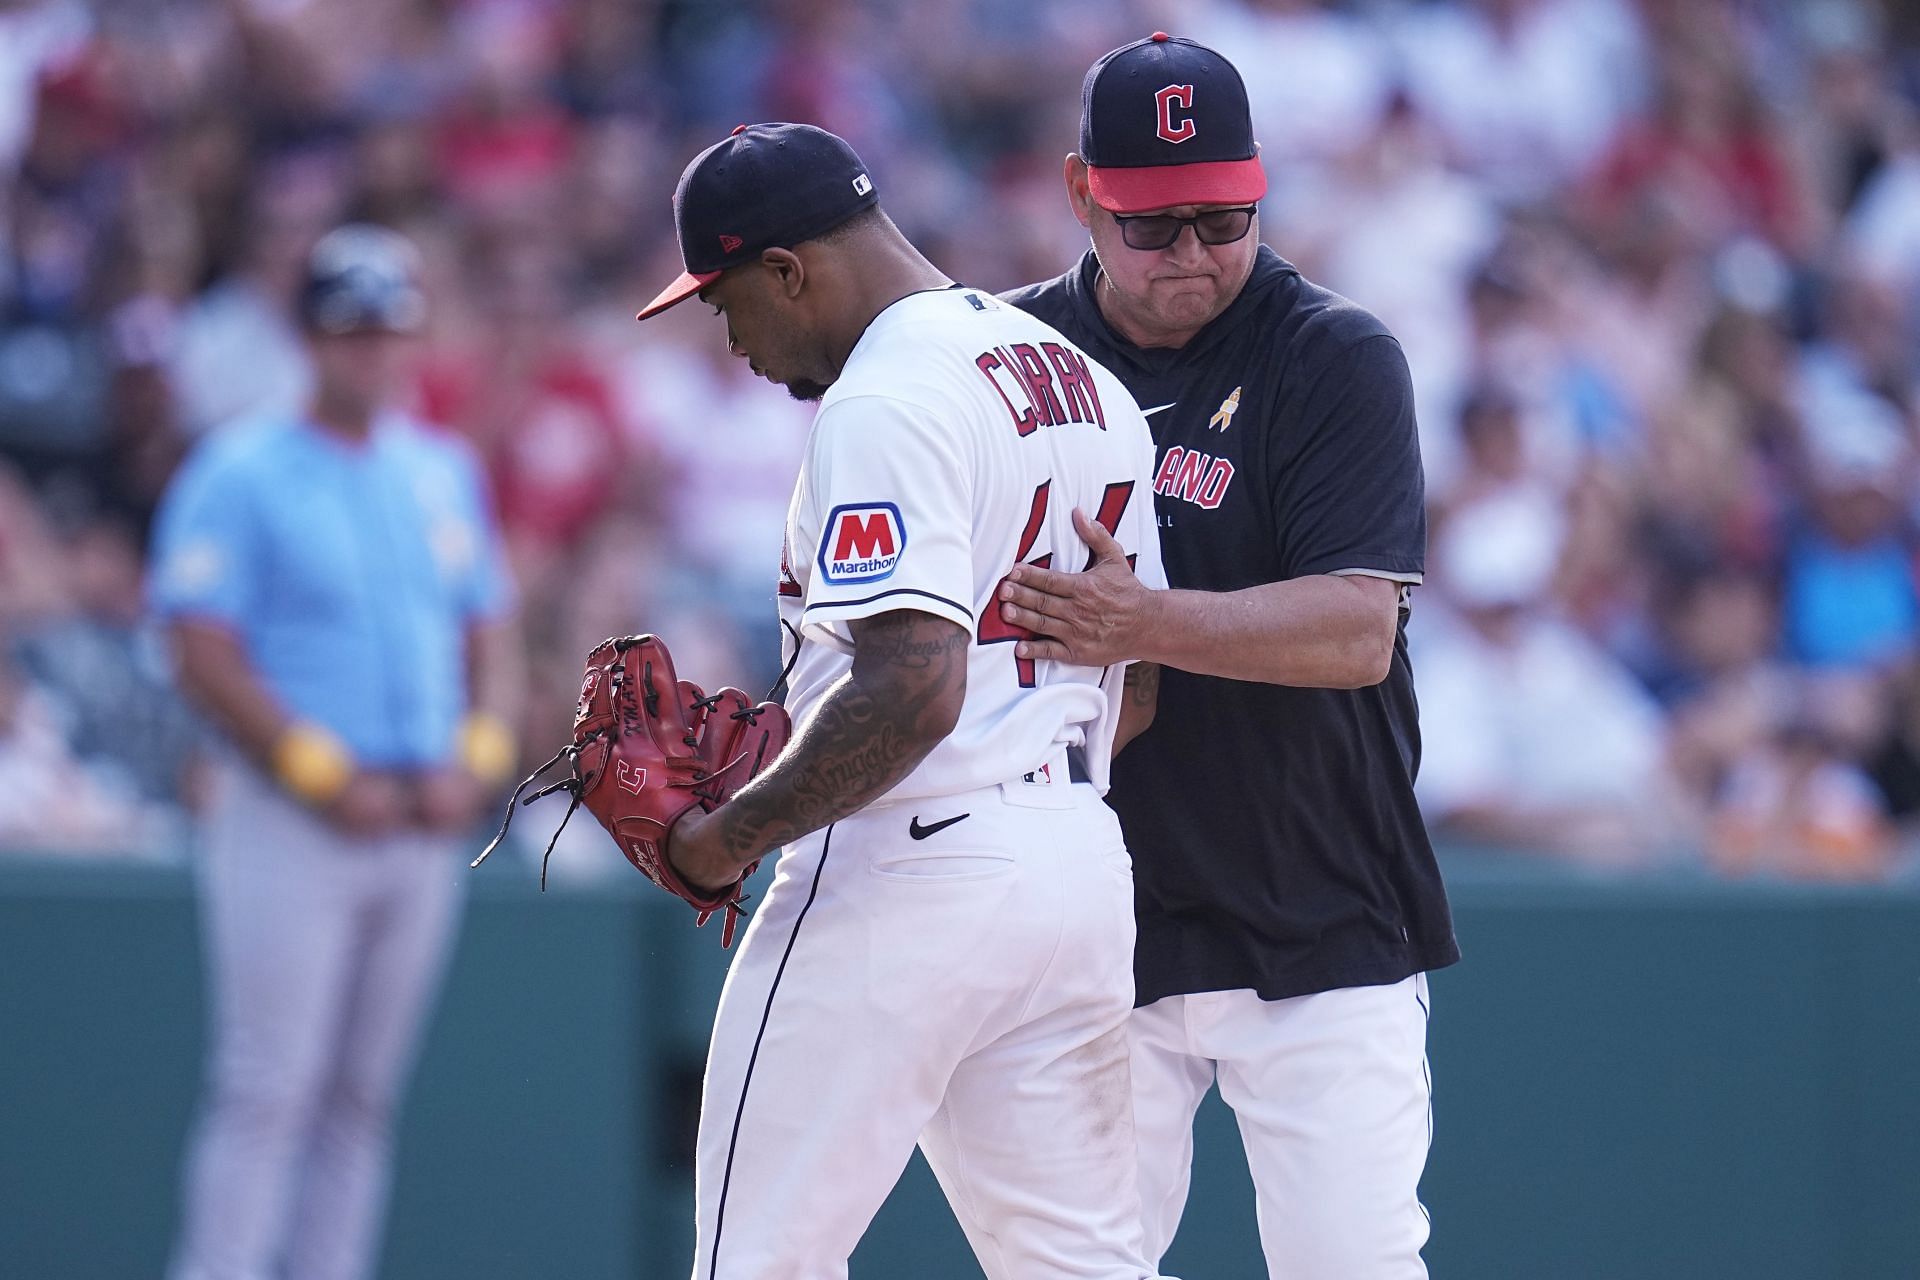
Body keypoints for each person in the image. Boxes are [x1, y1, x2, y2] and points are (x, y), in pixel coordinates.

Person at [633, 122, 1172, 1280]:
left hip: (907, 864)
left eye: (727, 304)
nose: (732, 342)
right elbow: (1138, 690)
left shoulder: (882, 396)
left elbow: (915, 685)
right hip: (1073, 863)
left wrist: (727, 838)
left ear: (790, 269)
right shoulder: (1082, 379)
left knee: (757, 1263)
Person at [1000, 34, 1459, 1279]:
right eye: (1156, 225)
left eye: (1224, 217)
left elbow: (1357, 629)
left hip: (1316, 897)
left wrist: (1136, 624)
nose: (1193, 255)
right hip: (1098, 907)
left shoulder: (1331, 353)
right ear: (1082, 191)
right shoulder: (1007, 358)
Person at [151, 224, 522, 1280]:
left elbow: (489, 628)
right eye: (352, 332)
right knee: (268, 1082)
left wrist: (482, 749)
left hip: (420, 813)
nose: (374, 353)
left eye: (391, 331)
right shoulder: (241, 467)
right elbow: (198, 643)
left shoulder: (439, 467)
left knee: (360, 1096)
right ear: (310, 340)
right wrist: (315, 768)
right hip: (293, 813)